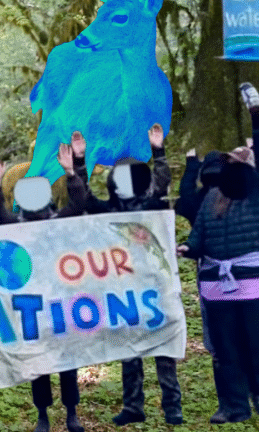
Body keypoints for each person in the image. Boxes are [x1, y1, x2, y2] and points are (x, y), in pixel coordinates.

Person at [177, 84, 259, 424]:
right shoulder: (211, 199)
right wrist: (189, 248)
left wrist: (258, 121)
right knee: (226, 352)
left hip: (258, 285)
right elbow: (200, 237)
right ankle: (233, 405)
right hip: (219, 287)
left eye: (241, 157)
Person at [82, 124, 183, 427]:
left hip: (155, 285)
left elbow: (162, 183)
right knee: (130, 348)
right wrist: (77, 164)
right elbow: (85, 202)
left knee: (163, 346)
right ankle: (133, 405)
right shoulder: (110, 211)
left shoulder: (150, 206)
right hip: (124, 289)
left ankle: (172, 406)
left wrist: (158, 152)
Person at [0, 132, 87, 432]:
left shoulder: (57, 221)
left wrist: (72, 172)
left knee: (67, 362)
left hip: (61, 300)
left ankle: (72, 412)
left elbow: (80, 203)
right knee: (38, 364)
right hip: (31, 304)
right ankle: (42, 413)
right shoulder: (15, 227)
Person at [176, 150, 259, 419]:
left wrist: (191, 164)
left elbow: (185, 195)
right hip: (223, 276)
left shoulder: (215, 198)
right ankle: (244, 397)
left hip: (228, 276)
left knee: (224, 342)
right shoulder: (231, 196)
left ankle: (237, 400)